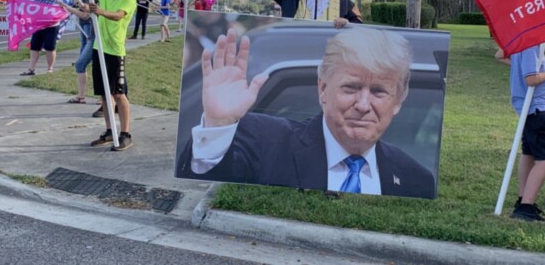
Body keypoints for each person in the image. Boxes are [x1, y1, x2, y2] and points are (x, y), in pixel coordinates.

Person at [180, 27, 435, 198]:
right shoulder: (262, 141)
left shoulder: (417, 180)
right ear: (323, 89)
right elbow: (201, 192)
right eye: (351, 87)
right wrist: (218, 124)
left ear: (399, 101)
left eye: (379, 91)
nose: (363, 104)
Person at [62, 0, 139, 151]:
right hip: (99, 48)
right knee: (104, 94)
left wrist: (99, 10)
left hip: (115, 51)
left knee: (118, 94)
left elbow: (117, 16)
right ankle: (109, 131)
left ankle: (125, 134)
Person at [507, 43, 545, 222]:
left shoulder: (522, 44)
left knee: (529, 154)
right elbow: (531, 79)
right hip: (536, 109)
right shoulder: (531, 46)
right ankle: (526, 206)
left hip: (528, 109)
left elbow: (500, 54)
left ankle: (523, 200)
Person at [20, 0, 63, 76]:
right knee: (34, 47)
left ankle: (50, 68)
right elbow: (32, 9)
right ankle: (31, 69)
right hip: (39, 27)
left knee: (50, 47)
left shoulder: (58, 0)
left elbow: (62, 12)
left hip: (52, 27)